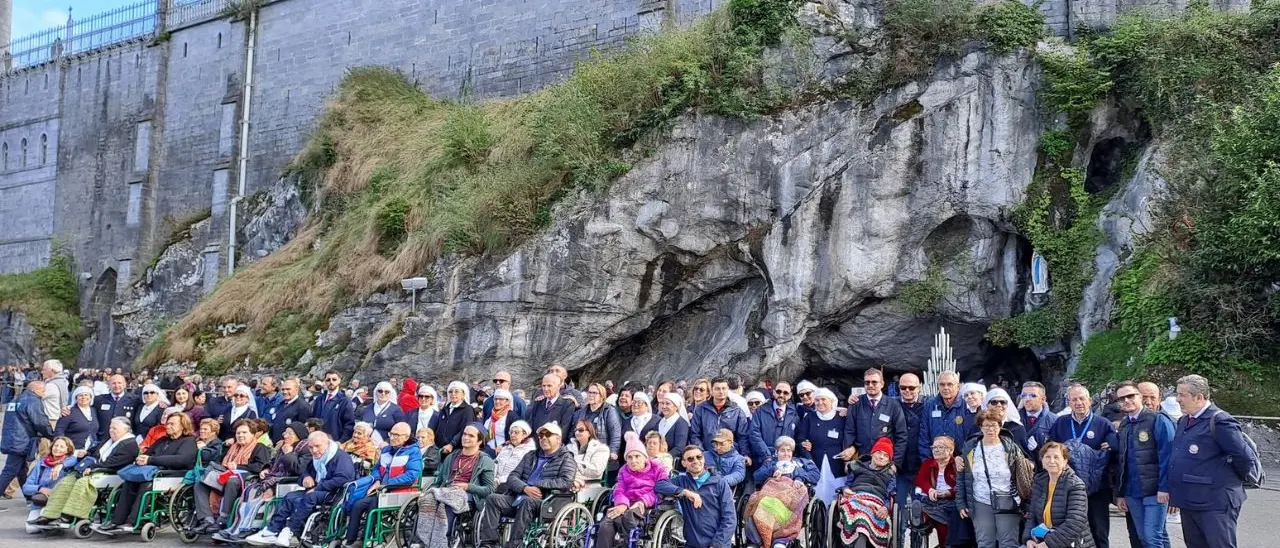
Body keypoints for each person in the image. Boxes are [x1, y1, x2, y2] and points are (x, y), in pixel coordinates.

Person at [1168, 374, 1255, 548]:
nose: (1177, 399)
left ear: (1198, 397)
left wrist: (1224, 482)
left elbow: (1245, 459)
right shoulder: (1185, 421)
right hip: (1189, 500)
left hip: (1214, 502)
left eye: (1182, 395)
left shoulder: (1220, 421)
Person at [93, 412, 198, 535]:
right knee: (129, 481)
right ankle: (116, 521)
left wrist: (151, 460)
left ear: (182, 426)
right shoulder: (163, 440)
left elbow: (181, 460)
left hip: (173, 474)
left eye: (172, 424)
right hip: (153, 471)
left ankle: (132, 522)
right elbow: (148, 453)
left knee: (146, 484)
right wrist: (142, 458)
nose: (167, 426)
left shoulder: (189, 441)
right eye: (167, 423)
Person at [247, 431, 357, 547]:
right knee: (290, 497)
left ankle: (291, 531)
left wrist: (318, 487)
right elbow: (304, 472)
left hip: (335, 492)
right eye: (310, 447)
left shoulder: (340, 457)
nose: (314, 450)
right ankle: (272, 530)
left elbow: (344, 478)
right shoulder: (316, 458)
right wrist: (306, 478)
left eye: (317, 446)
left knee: (310, 497)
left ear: (327, 443)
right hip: (317, 490)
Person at [476, 422, 576, 548]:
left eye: (548, 434)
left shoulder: (566, 458)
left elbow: (566, 481)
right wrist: (525, 488)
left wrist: (539, 485)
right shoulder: (530, 455)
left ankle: (514, 544)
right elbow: (512, 476)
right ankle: (489, 543)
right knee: (493, 499)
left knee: (527, 502)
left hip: (546, 500)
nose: (543, 438)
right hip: (520, 495)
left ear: (558, 438)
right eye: (541, 435)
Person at [211, 422, 314, 543]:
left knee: (259, 498)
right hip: (273, 479)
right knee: (248, 492)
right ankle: (236, 527)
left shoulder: (305, 448)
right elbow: (272, 462)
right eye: (285, 432)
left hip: (287, 483)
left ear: (298, 435)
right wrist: (266, 469)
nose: (285, 436)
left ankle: (249, 528)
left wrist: (289, 454)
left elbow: (299, 469)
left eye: (289, 433)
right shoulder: (284, 447)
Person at [30, 417, 138, 528]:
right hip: (96, 470)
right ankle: (50, 515)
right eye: (110, 427)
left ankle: (70, 515)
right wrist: (85, 452)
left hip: (111, 473)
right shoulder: (109, 440)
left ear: (126, 429)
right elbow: (95, 450)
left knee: (82, 483)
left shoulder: (130, 444)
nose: (111, 430)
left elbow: (113, 462)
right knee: (67, 481)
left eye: (115, 428)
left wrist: (93, 467)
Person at [1108, 381, 1174, 548]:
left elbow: (1168, 457)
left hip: (1154, 490)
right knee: (1148, 536)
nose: (1127, 400)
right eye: (1122, 398)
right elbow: (1122, 462)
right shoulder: (1124, 424)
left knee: (1152, 538)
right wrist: (1120, 493)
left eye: (1131, 396)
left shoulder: (1158, 420)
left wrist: (1165, 487)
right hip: (1132, 492)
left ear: (1140, 397)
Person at [1048, 384, 1115, 548]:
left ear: (1090, 401)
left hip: (1097, 489)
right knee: (1071, 532)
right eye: (1074, 399)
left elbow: (1114, 450)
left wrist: (1111, 445)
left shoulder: (1103, 423)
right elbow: (1050, 447)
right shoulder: (1060, 423)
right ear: (1068, 403)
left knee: (1099, 530)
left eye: (1082, 398)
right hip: (1068, 489)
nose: (1078, 402)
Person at [342, 422, 422, 548]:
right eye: (391, 434)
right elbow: (377, 468)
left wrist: (387, 483)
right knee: (358, 504)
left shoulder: (413, 452)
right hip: (382, 489)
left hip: (399, 490)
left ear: (406, 437)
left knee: (374, 505)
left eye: (397, 435)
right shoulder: (386, 450)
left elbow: (412, 475)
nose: (392, 437)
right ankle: (350, 539)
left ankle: (366, 539)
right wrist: (378, 480)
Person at [415, 425, 495, 548]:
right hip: (445, 490)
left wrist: (468, 486)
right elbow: (439, 480)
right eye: (464, 434)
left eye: (471, 436)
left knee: (446, 503)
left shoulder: (485, 460)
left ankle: (439, 542)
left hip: (467, 495)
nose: (466, 437)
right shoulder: (452, 456)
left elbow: (489, 489)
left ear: (480, 440)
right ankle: (424, 540)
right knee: (427, 500)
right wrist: (427, 492)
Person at [956, 408, 1024, 548]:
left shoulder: (1010, 447)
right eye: (986, 425)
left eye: (994, 425)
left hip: (1007, 500)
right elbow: (963, 476)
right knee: (985, 542)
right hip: (980, 500)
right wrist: (961, 503)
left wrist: (1026, 503)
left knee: (1009, 542)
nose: (990, 429)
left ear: (1000, 426)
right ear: (980, 427)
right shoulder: (971, 447)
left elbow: (1023, 476)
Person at [192, 419, 273, 534]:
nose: (240, 435)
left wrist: (238, 466)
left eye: (244, 432)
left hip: (247, 480)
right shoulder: (233, 447)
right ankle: (207, 519)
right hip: (226, 475)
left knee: (232, 481)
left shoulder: (259, 447)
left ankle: (223, 519)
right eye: (238, 433)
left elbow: (260, 466)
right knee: (201, 483)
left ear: (253, 434)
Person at [744, 436, 820, 548]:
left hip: (791, 492)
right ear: (776, 452)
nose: (786, 454)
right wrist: (772, 471)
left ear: (792, 452)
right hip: (770, 491)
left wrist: (798, 475)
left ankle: (780, 539)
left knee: (783, 501)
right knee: (756, 499)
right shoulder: (770, 463)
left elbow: (816, 475)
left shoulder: (799, 463)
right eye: (782, 450)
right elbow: (756, 476)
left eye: (789, 450)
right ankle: (759, 537)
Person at [595, 432, 667, 548]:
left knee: (628, 517)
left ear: (644, 457)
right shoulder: (624, 470)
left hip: (647, 505)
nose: (633, 460)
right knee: (606, 522)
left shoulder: (658, 468)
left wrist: (643, 501)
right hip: (626, 503)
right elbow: (619, 489)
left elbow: (661, 489)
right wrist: (622, 504)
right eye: (630, 457)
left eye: (637, 456)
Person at [656, 445, 737, 548]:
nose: (695, 461)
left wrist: (717, 544)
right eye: (690, 459)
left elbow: (730, 518)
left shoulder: (720, 483)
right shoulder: (682, 481)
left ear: (703, 458)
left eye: (699, 457)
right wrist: (686, 492)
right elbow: (659, 485)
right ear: (684, 463)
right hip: (693, 544)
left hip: (717, 544)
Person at [1023, 441, 1095, 548]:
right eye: (1047, 457)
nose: (1051, 461)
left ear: (1065, 461)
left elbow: (1075, 522)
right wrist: (1028, 539)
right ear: (1042, 461)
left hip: (1070, 543)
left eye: (1056, 457)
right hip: (1043, 540)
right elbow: (1032, 516)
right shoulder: (1039, 482)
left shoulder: (1075, 485)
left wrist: (1048, 544)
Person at [841, 369, 909, 472]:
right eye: (867, 382)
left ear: (882, 384)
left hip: (884, 463)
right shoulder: (856, 404)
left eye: (874, 382)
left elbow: (902, 435)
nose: (870, 385)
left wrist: (895, 463)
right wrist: (847, 460)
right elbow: (849, 432)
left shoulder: (893, 405)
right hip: (861, 461)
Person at [835, 437, 897, 548]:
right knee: (856, 511)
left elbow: (890, 495)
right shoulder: (857, 466)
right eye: (879, 453)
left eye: (886, 456)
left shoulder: (890, 474)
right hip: (855, 497)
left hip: (876, 501)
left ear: (889, 460)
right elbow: (847, 484)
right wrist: (845, 490)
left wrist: (886, 509)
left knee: (866, 514)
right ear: (872, 453)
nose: (882, 457)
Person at [1, 380, 54, 499]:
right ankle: (29, 497)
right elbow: (40, 421)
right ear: (34, 390)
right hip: (22, 441)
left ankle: (29, 497)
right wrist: (52, 435)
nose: (44, 393)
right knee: (9, 471)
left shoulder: (15, 400)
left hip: (12, 439)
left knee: (21, 470)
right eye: (42, 390)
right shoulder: (33, 401)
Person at [690, 377, 753, 464]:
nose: (721, 391)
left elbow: (743, 436)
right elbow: (695, 434)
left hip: (730, 457)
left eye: (724, 388)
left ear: (728, 390)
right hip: (707, 454)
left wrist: (745, 454)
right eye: (717, 389)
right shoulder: (701, 409)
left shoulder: (737, 411)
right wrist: (701, 452)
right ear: (711, 391)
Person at [913, 435, 959, 548]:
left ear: (950, 450)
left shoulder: (956, 465)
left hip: (950, 501)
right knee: (926, 506)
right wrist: (929, 489)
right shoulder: (928, 463)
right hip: (932, 500)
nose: (936, 450)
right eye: (934, 447)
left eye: (941, 447)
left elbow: (961, 485)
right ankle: (921, 517)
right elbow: (920, 480)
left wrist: (949, 493)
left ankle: (924, 519)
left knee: (942, 522)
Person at [918, 372, 967, 467]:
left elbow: (970, 437)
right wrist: (928, 462)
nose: (945, 388)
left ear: (958, 386)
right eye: (942, 384)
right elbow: (924, 436)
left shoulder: (966, 405)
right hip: (935, 463)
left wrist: (963, 461)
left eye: (950, 384)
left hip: (960, 462)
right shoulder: (929, 405)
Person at [795, 388, 846, 476]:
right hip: (815, 465)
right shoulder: (809, 418)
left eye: (823, 399)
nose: (820, 402)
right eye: (817, 400)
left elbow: (850, 437)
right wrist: (805, 445)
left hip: (838, 466)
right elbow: (800, 438)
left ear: (831, 401)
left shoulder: (842, 418)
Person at [23, 436, 77, 514]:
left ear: (68, 450)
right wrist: (40, 489)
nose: (57, 449)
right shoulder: (41, 464)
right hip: (41, 503)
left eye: (62, 447)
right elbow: (26, 488)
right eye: (56, 445)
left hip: (61, 505)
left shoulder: (70, 463)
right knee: (31, 525)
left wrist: (61, 465)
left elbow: (75, 459)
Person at [750, 382, 798, 464]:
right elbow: (754, 434)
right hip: (763, 460)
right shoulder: (760, 411)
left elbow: (797, 436)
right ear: (774, 392)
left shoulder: (794, 413)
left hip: (785, 460)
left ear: (790, 395)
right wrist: (767, 455)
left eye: (785, 393)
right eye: (779, 391)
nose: (781, 395)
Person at [573, 382, 622, 461]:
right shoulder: (579, 413)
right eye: (589, 392)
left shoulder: (609, 411)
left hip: (600, 454)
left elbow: (615, 433)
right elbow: (572, 433)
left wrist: (613, 452)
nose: (591, 395)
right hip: (582, 454)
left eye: (595, 393)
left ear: (602, 396)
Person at [984, 388, 1031, 457]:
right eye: (994, 402)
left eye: (1003, 402)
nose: (999, 405)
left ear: (1007, 405)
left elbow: (1026, 457)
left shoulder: (1017, 428)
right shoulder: (979, 426)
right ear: (987, 405)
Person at [314, 370, 356, 442]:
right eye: (328, 380)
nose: (331, 382)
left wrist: (341, 441)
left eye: (334, 379)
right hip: (318, 440)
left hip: (334, 441)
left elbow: (349, 424)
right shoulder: (319, 399)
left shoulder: (345, 401)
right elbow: (313, 418)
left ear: (339, 381)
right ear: (325, 382)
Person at [93, 374, 137, 441]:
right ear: (109, 385)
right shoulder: (99, 399)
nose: (116, 386)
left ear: (125, 384)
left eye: (119, 383)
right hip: (103, 439)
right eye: (113, 383)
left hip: (124, 441)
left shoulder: (134, 400)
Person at [436, 381, 477, 455]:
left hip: (456, 450)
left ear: (463, 394)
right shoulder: (445, 409)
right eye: (451, 392)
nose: (453, 394)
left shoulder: (467, 410)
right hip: (440, 447)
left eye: (456, 391)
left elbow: (465, 429)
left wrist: (452, 444)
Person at [567, 419, 609, 489]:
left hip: (589, 486)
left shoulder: (601, 449)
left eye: (580, 430)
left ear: (589, 433)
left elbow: (596, 470)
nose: (577, 432)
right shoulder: (568, 448)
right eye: (575, 430)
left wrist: (574, 463)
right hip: (569, 483)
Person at [55, 385, 98, 451]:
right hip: (73, 450)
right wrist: (61, 446)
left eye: (86, 395)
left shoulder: (94, 410)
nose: (84, 397)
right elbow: (59, 430)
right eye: (80, 395)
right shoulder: (69, 411)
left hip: (91, 450)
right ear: (76, 398)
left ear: (91, 397)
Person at [1019, 382, 1056, 455]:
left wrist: (1040, 449)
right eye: (1023, 395)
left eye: (1033, 395)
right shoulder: (1014, 419)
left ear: (1043, 399)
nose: (1027, 399)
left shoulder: (1055, 421)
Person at [492, 420, 535, 484]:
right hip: (494, 482)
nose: (512, 435)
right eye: (511, 432)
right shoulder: (505, 448)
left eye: (516, 432)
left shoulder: (529, 452)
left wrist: (498, 481)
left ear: (525, 434)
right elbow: (495, 464)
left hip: (509, 485)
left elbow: (520, 474)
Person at [656, 392, 690, 462]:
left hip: (671, 461)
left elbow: (679, 448)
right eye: (662, 403)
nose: (664, 406)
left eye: (667, 404)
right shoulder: (659, 422)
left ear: (676, 407)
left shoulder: (681, 423)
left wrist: (663, 459)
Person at [40, 360, 69, 431]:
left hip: (50, 420)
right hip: (57, 418)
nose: (42, 372)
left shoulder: (51, 385)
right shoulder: (63, 381)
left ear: (52, 371)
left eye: (44, 369)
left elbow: (36, 398)